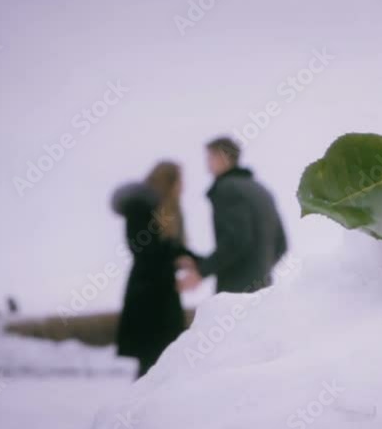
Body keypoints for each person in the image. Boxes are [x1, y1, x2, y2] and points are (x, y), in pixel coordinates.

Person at [113, 161, 191, 378]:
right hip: (146, 296)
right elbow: (143, 250)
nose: (183, 186)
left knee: (165, 362)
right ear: (169, 182)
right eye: (179, 181)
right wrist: (178, 259)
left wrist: (198, 263)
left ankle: (155, 408)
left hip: (164, 295)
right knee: (150, 364)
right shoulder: (139, 207)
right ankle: (138, 411)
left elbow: (177, 250)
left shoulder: (170, 210)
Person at [178, 137, 286, 294]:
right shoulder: (261, 190)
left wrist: (201, 272)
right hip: (264, 291)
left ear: (223, 157)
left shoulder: (227, 189)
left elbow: (236, 240)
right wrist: (258, 270)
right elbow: (282, 245)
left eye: (210, 157)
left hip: (234, 292)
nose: (207, 165)